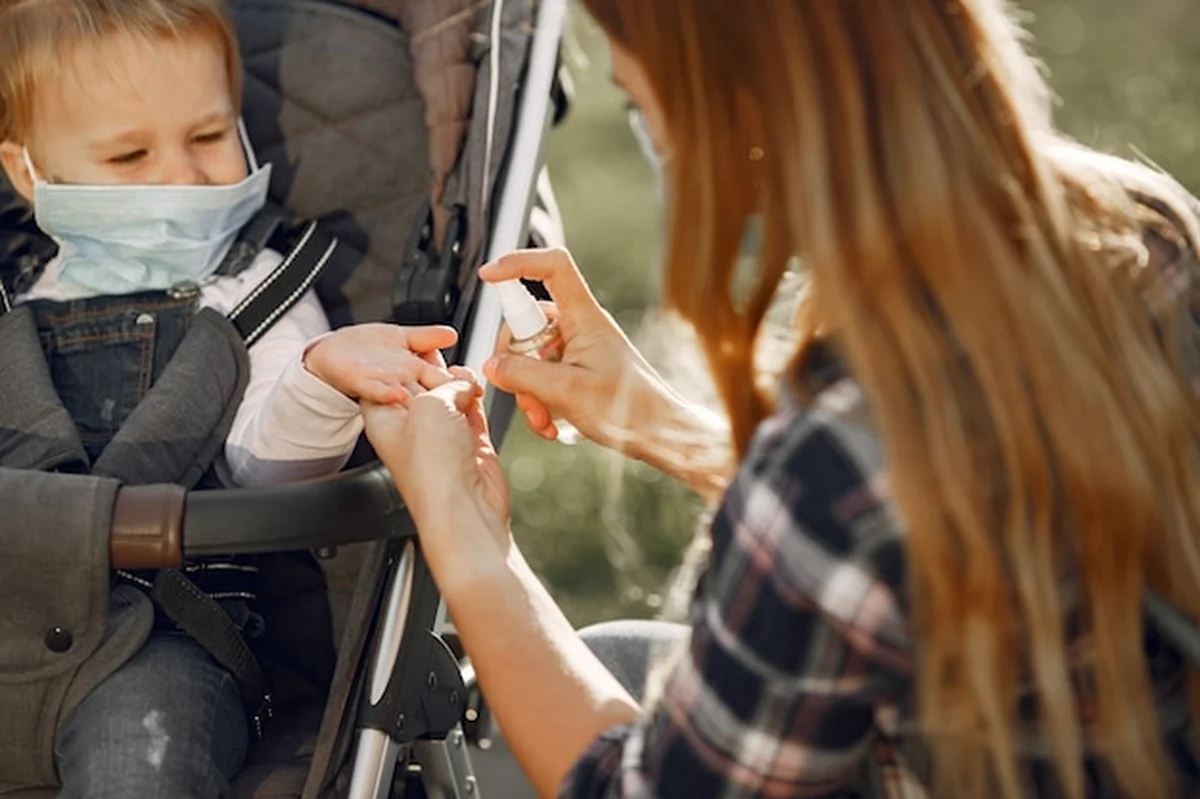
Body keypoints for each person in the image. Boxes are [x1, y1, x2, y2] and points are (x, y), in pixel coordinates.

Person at [361, 0, 1200, 797]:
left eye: (642, 107)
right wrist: (659, 421)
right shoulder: (1143, 235)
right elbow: (936, 517)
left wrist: (467, 539)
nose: (651, 138)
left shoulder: (834, 463)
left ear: (740, 113)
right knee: (617, 655)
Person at [0, 1, 456, 796]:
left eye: (209, 137)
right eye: (129, 154)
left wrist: (320, 377)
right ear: (27, 173)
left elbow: (264, 465)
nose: (183, 174)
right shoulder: (14, 294)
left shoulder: (258, 287)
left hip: (163, 641)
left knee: (136, 760)